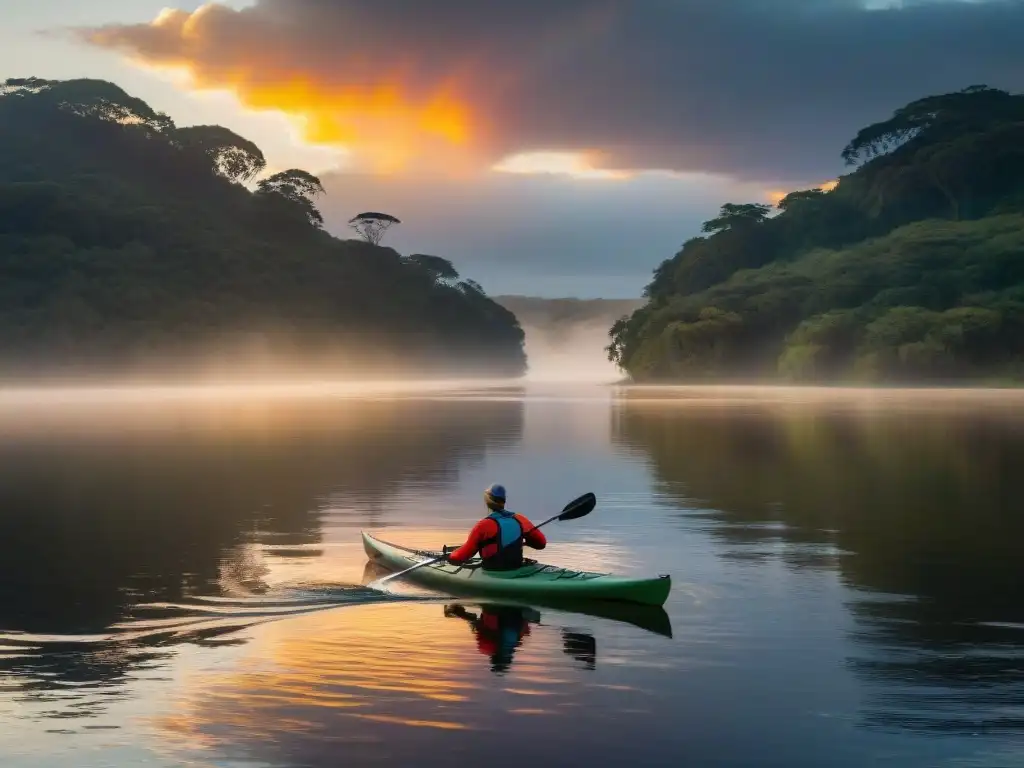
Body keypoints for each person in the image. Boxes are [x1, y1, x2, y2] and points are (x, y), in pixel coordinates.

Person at [445, 484, 546, 570]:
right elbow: (541, 543)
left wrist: (451, 556)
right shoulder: (520, 519)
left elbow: (463, 556)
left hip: (494, 571)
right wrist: (526, 542)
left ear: (487, 503)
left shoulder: (483, 525)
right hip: (516, 567)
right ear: (504, 501)